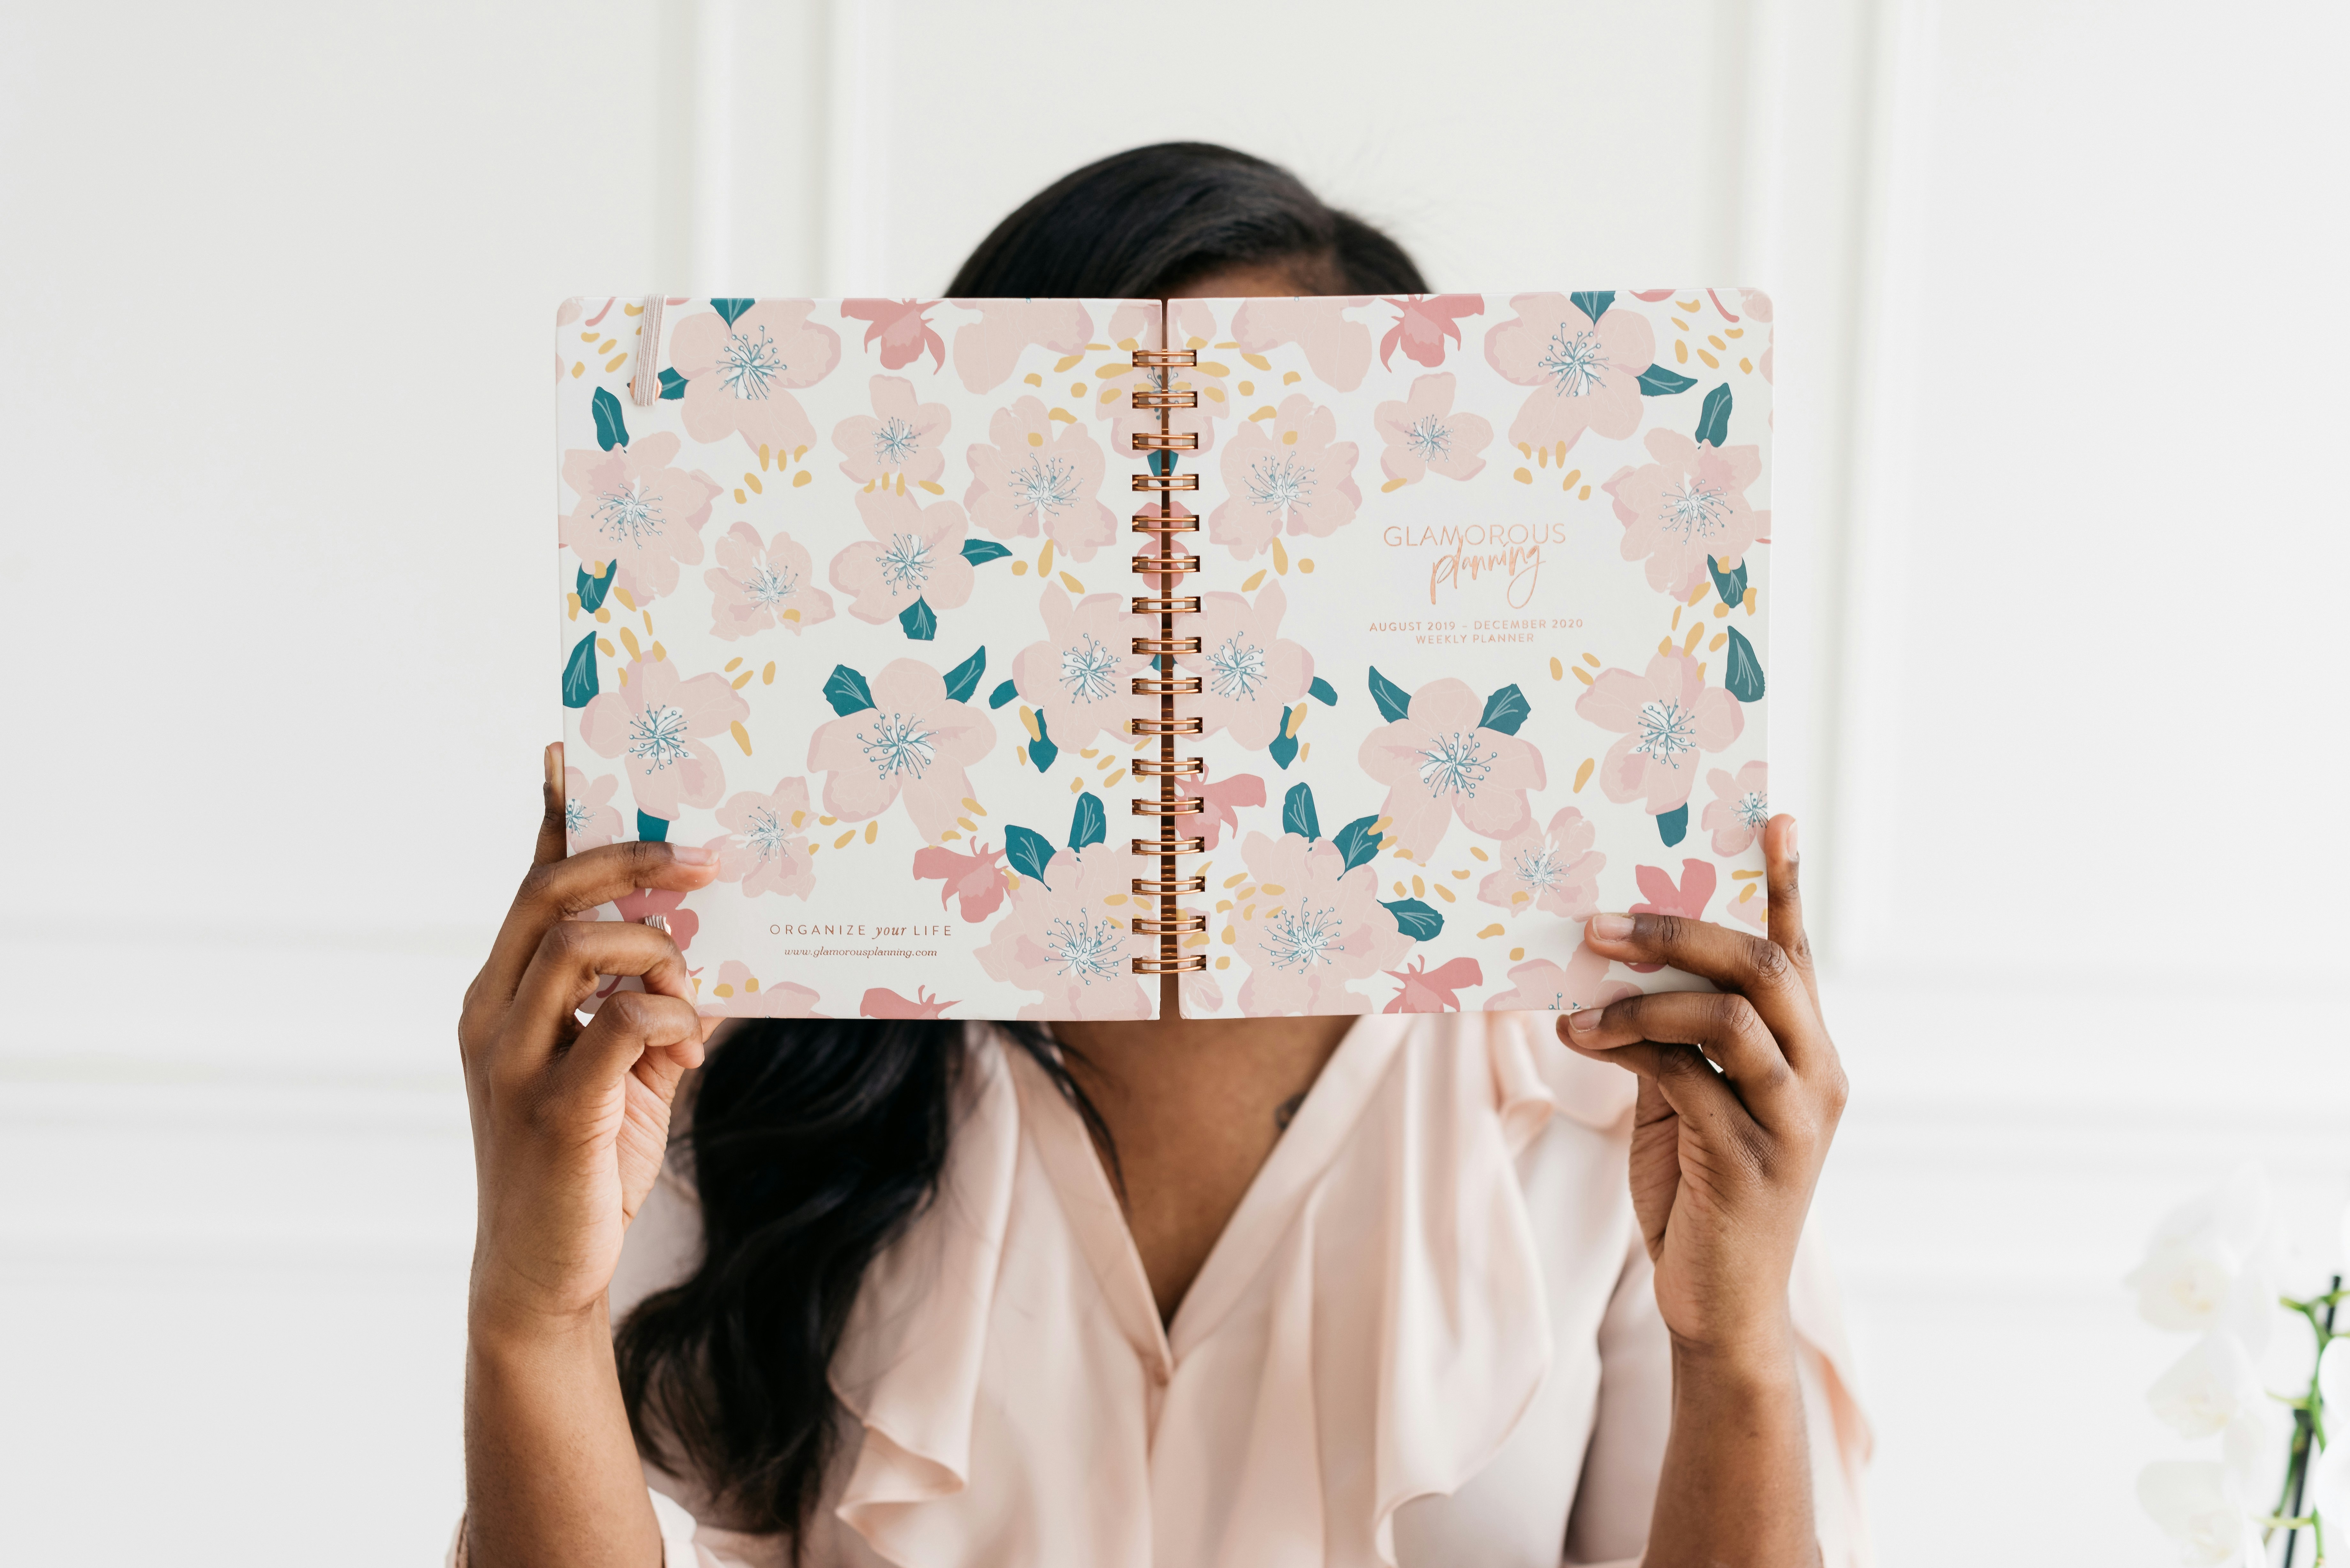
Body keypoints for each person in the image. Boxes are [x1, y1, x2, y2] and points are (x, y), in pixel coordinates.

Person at [456, 143, 1866, 1568]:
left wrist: (1734, 1343)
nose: (1189, 631)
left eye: (1271, 514)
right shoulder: (762, 1055)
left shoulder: (1610, 1093)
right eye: (1109, 520)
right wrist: (533, 1309)